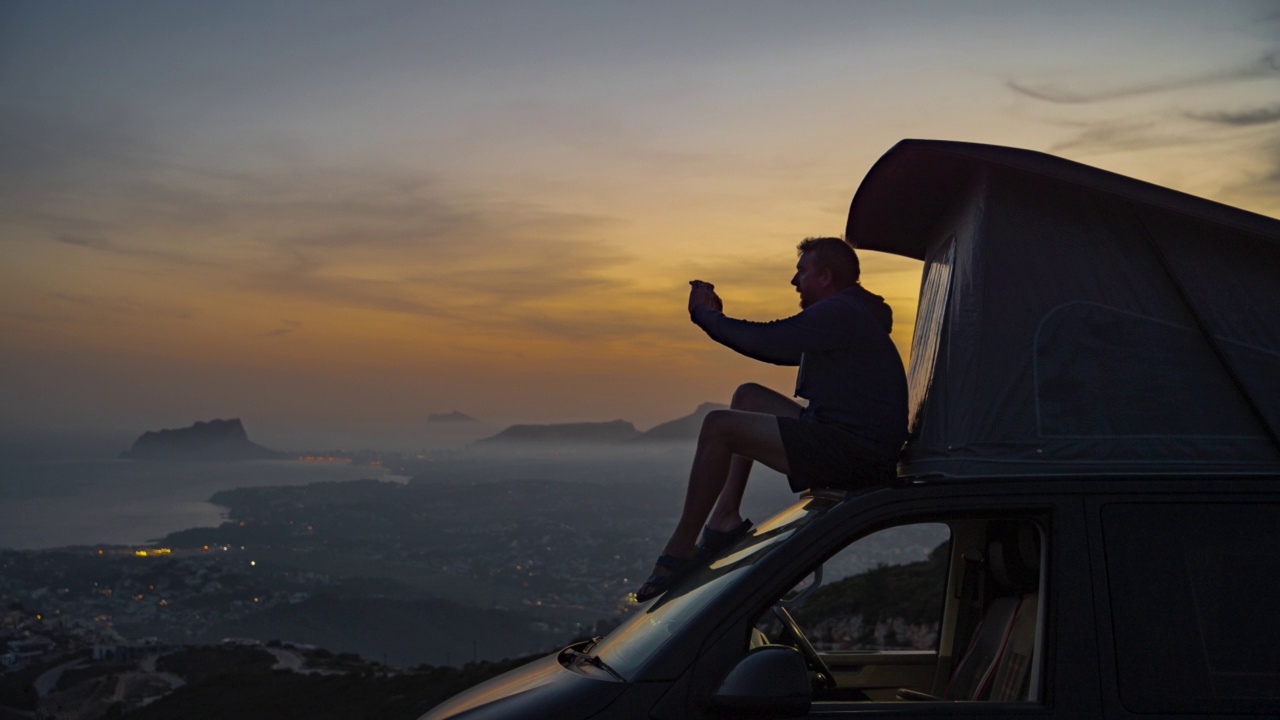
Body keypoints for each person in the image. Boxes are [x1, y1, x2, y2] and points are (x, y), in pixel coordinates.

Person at [633, 236, 908, 602]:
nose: (794, 282)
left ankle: (681, 548)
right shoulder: (851, 314)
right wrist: (719, 319)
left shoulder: (841, 312)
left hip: (854, 452)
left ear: (825, 277)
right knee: (747, 396)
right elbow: (777, 346)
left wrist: (705, 315)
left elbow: (771, 341)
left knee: (719, 426)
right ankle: (724, 518)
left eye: (801, 272)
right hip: (844, 438)